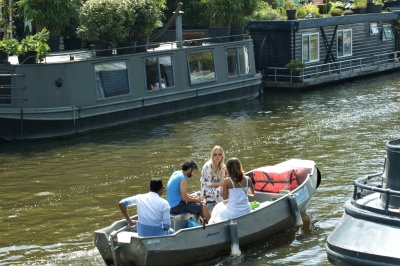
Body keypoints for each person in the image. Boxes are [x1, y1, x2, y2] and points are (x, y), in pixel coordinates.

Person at [208, 157, 255, 223]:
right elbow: (252, 194)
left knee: (218, 207)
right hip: (246, 210)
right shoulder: (248, 179)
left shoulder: (227, 181)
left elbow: (225, 199)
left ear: (228, 169)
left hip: (233, 213)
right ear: (240, 166)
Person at [166, 159, 211, 224]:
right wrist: (196, 200)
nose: (194, 174)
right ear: (189, 170)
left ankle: (203, 224)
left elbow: (181, 193)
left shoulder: (176, 173)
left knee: (198, 203)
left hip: (171, 205)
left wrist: (193, 197)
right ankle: (211, 224)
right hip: (176, 207)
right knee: (203, 206)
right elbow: (185, 198)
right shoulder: (183, 178)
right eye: (194, 172)